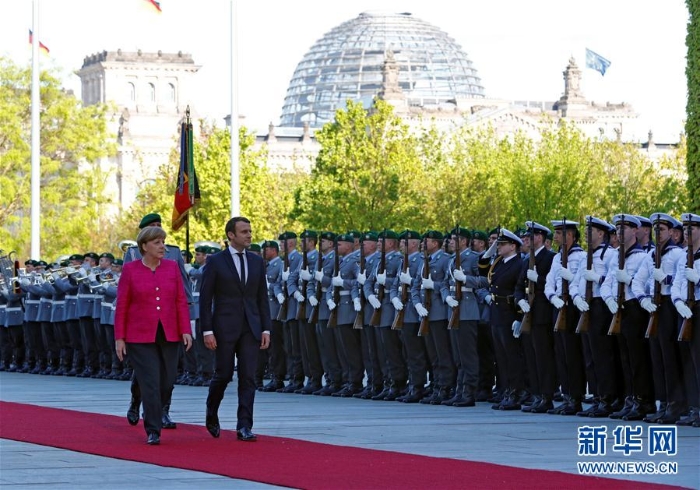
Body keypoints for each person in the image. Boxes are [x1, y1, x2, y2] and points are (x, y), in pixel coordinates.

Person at [114, 226, 193, 445]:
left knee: (166, 381)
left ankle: (138, 398)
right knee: (151, 381)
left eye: (163, 242)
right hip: (139, 336)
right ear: (144, 246)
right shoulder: (130, 270)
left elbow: (180, 300)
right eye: (157, 243)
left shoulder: (171, 267)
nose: (163, 247)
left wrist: (186, 330)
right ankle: (153, 429)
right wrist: (119, 338)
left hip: (168, 332)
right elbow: (122, 305)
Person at [201, 216, 271, 442]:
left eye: (250, 231)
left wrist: (266, 329)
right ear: (231, 235)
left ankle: (244, 426)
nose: (249, 235)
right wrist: (207, 330)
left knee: (248, 376)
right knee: (223, 374)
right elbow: (205, 299)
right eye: (244, 232)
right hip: (224, 327)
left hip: (250, 327)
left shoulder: (256, 261)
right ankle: (212, 411)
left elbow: (262, 298)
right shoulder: (216, 261)